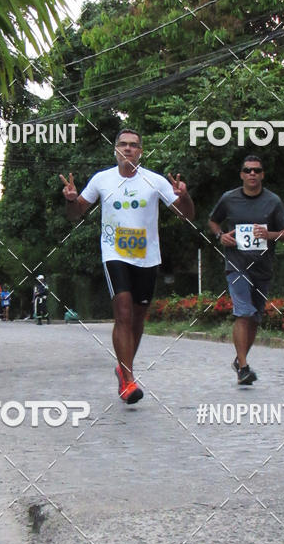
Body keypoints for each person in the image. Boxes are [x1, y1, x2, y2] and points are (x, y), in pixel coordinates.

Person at [60, 127, 194, 404]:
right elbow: (76, 215)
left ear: (141, 151)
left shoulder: (154, 180)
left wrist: (185, 196)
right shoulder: (102, 180)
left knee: (137, 318)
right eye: (123, 144)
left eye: (134, 145)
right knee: (122, 311)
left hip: (147, 257)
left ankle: (123, 369)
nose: (128, 149)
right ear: (116, 150)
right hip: (114, 254)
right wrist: (71, 200)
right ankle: (129, 380)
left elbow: (185, 215)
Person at [208, 155, 284, 385]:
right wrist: (221, 236)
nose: (252, 174)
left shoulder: (273, 201)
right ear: (242, 175)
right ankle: (244, 368)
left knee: (255, 318)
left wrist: (271, 235)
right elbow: (213, 221)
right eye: (248, 170)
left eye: (257, 170)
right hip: (237, 265)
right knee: (243, 312)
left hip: (263, 268)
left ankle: (240, 360)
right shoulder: (229, 198)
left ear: (262, 174)